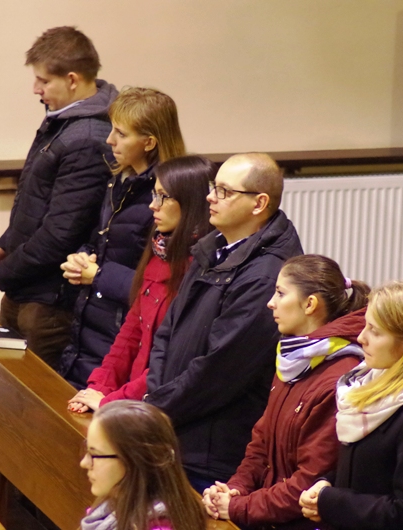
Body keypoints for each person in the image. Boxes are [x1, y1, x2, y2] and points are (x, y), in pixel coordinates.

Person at [145, 152, 304, 492]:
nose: (210, 198)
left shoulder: (266, 275)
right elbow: (167, 331)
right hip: (174, 426)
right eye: (212, 187)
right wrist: (156, 399)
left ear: (259, 203)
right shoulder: (213, 247)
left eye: (224, 191)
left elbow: (219, 371)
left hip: (211, 451)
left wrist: (155, 408)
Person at [0, 26, 118, 369]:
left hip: (50, 301)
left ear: (72, 80)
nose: (35, 89)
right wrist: (5, 246)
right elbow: (35, 201)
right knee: (5, 381)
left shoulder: (87, 137)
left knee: (34, 394)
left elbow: (61, 233)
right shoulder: (63, 121)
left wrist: (2, 273)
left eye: (43, 80)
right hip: (27, 285)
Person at [203, 255, 370, 529]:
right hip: (269, 514)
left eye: (280, 293)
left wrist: (238, 507)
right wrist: (235, 489)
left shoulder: (338, 378)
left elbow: (308, 482)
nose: (271, 303)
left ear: (310, 304)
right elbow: (261, 443)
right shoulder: (295, 358)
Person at [298, 281, 403, 530]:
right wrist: (325, 483)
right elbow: (366, 470)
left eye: (375, 331)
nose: (361, 338)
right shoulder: (372, 380)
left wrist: (331, 502)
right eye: (366, 326)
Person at [59, 87, 186, 388]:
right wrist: (83, 257)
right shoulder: (120, 180)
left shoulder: (169, 200)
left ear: (149, 142)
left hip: (123, 339)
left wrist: (98, 275)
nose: (109, 140)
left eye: (121, 133)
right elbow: (102, 239)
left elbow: (163, 286)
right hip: (89, 326)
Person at [67, 156, 215, 412]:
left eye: (163, 197)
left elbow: (170, 362)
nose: (152, 205)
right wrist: (99, 387)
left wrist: (112, 401)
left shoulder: (200, 268)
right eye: (154, 195)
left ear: (192, 201)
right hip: (131, 400)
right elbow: (132, 330)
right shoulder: (160, 250)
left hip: (158, 405)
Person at [80, 400, 206, 530]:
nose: (84, 463)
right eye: (86, 450)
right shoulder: (109, 507)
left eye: (95, 455)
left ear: (135, 460)